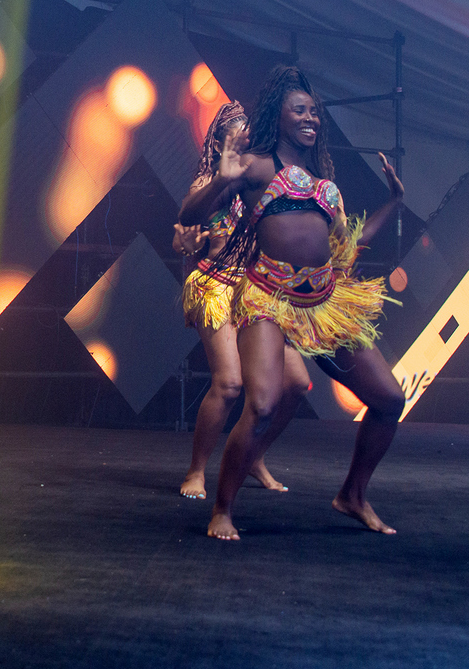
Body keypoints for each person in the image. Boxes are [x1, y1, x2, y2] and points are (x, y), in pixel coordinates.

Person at [181, 65, 404, 541]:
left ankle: (353, 495)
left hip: (324, 303)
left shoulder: (324, 182)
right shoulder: (256, 166)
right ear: (277, 116)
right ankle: (222, 509)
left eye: (314, 112)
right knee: (261, 404)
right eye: (299, 110)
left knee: (389, 400)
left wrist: (393, 204)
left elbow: (348, 244)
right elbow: (189, 214)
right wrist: (221, 181)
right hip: (268, 299)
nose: (310, 118)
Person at [173, 102, 305, 500]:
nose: (247, 144)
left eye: (250, 138)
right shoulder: (208, 184)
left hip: (253, 290)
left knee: (295, 382)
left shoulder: (260, 180)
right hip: (214, 286)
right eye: (238, 138)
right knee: (230, 383)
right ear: (220, 144)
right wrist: (187, 244)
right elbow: (181, 236)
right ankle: (196, 470)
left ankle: (253, 457)